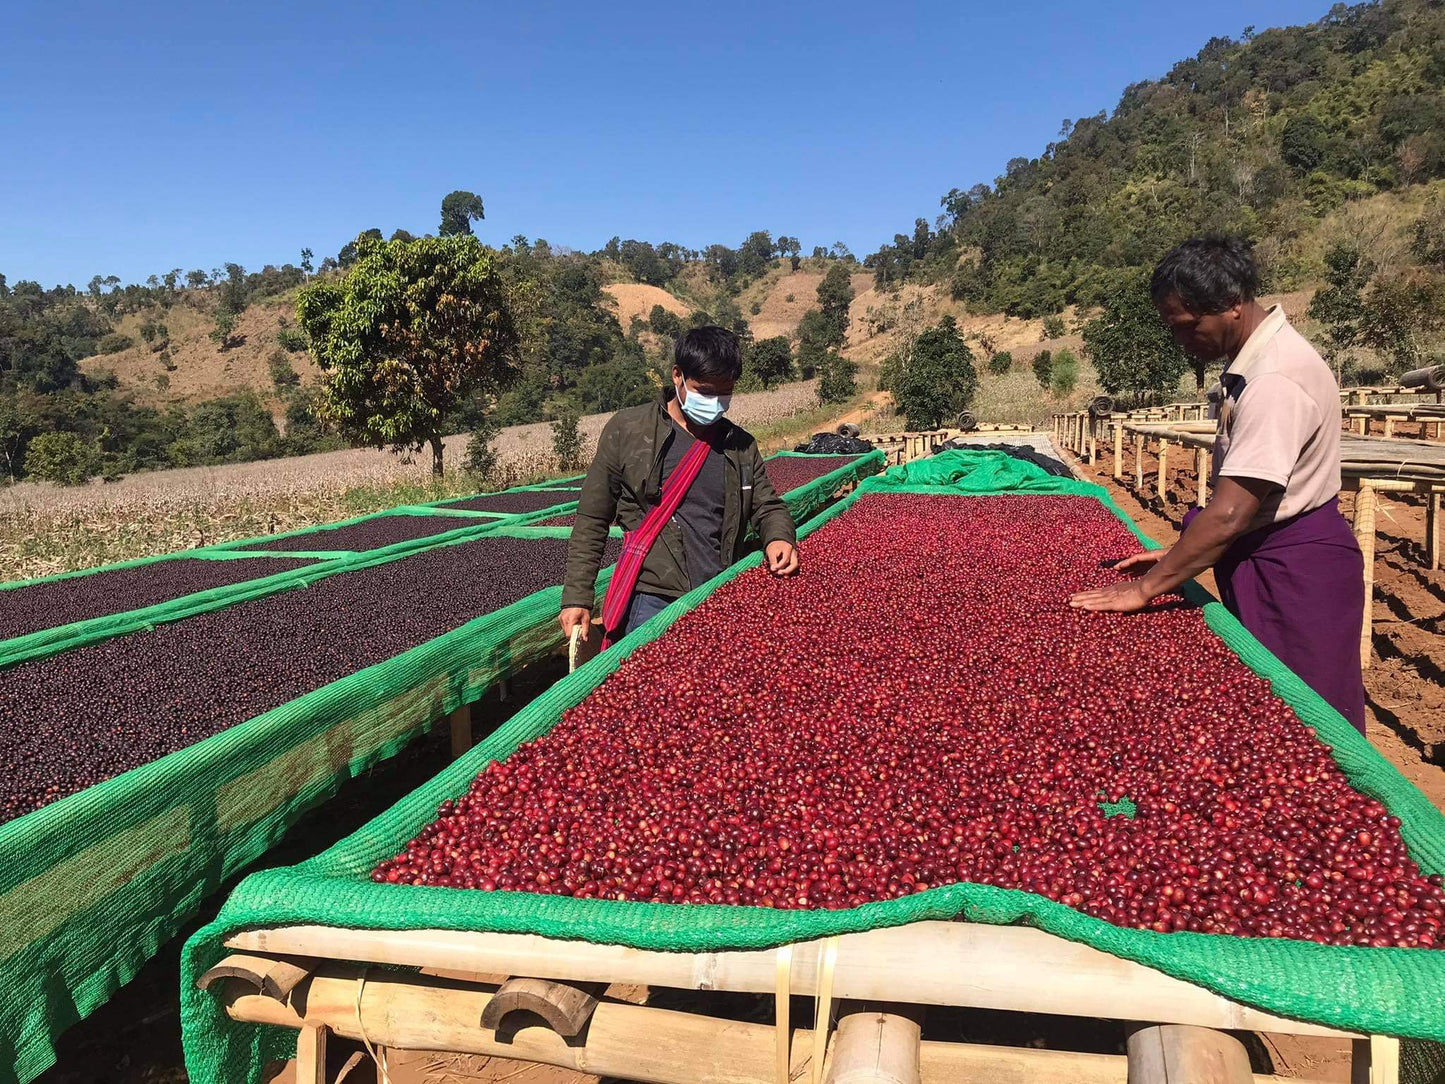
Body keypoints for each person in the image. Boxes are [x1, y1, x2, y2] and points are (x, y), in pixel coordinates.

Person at [1069, 236, 1367, 734]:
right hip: (1268, 549)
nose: (1182, 340)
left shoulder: (1274, 380)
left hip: (1293, 571)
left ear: (1232, 305)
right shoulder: (1255, 359)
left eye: (1188, 326)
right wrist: (1179, 552)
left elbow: (1231, 515)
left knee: (1308, 724)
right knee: (1270, 713)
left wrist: (1146, 588)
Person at [559, 325, 799, 644]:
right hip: (653, 599)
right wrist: (577, 595)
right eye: (703, 391)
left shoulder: (739, 447)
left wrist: (779, 538)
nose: (714, 403)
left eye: (723, 393)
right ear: (677, 376)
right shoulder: (629, 432)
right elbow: (593, 517)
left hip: (717, 590)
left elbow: (767, 506)